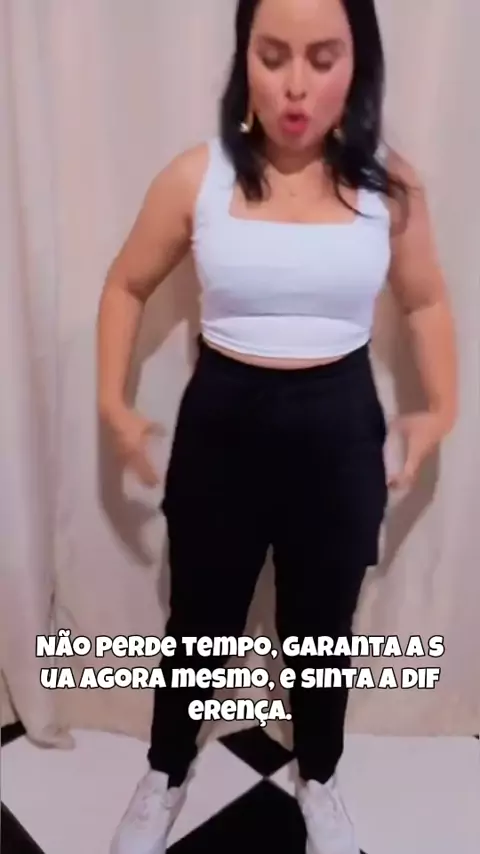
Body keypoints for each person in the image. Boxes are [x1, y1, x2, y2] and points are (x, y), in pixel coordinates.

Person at [97, 0, 457, 851]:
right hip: (223, 423)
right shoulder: (197, 176)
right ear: (245, 59)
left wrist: (440, 408)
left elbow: (428, 301)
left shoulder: (392, 188)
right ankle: (165, 770)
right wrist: (114, 404)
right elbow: (126, 285)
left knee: (322, 624)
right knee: (200, 618)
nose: (297, 84)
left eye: (323, 59)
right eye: (274, 55)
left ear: (357, 66)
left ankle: (319, 775)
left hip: (338, 428)